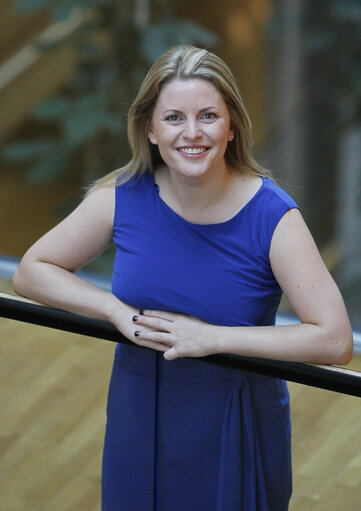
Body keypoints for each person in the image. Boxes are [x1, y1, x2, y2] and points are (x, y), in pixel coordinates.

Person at [13, 45, 353, 511]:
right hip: (141, 408)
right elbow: (32, 271)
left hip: (235, 417)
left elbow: (335, 340)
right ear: (150, 129)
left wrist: (212, 337)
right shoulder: (122, 197)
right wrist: (114, 309)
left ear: (231, 125)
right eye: (173, 118)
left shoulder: (273, 216)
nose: (192, 133)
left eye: (208, 115)